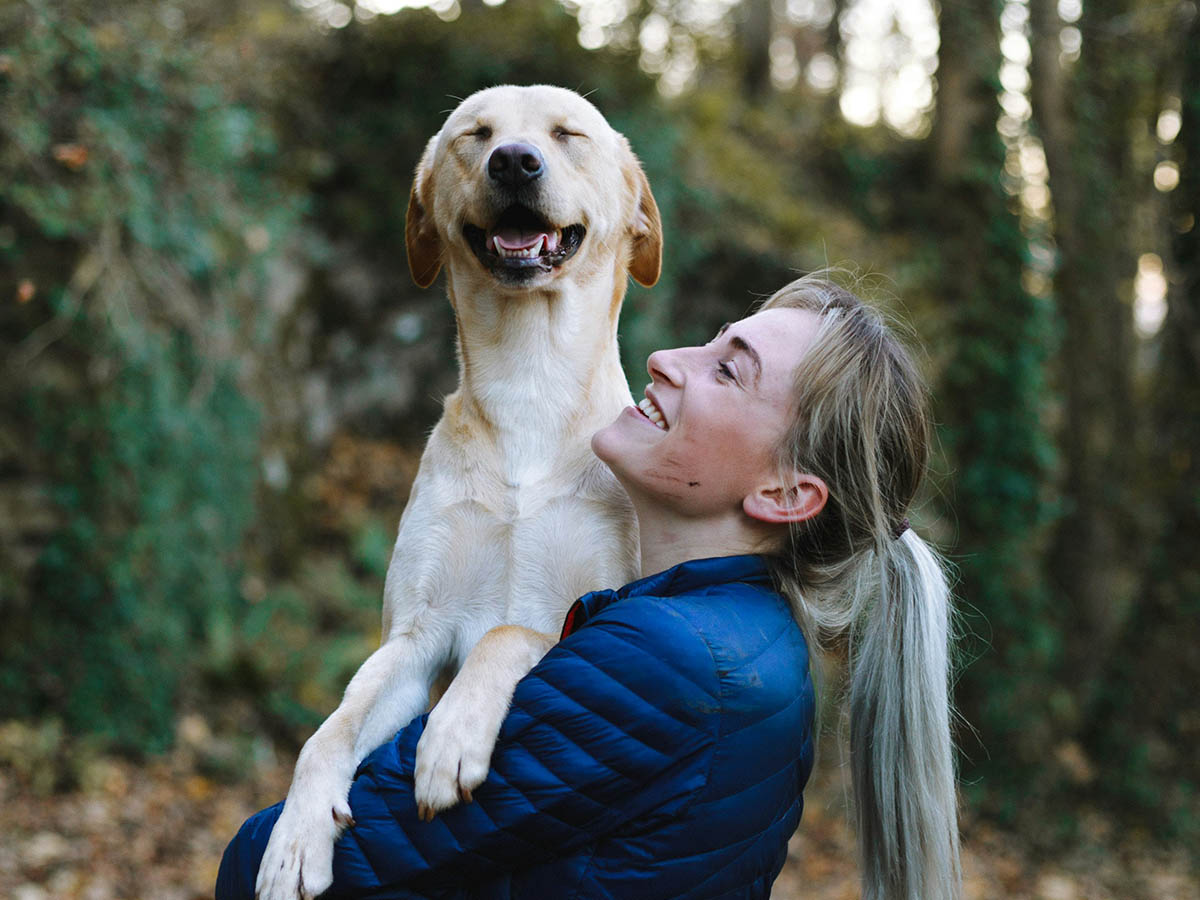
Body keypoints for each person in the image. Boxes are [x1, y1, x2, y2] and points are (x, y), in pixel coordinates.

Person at [217, 273, 960, 900]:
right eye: (710, 341)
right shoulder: (747, 636)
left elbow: (277, 867)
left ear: (786, 496)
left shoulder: (665, 660)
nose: (668, 358)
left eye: (727, 371)